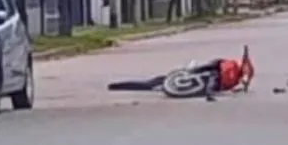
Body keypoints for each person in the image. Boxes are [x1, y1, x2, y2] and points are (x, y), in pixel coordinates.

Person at [107, 46, 254, 101]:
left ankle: (115, 86)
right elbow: (214, 67)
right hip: (199, 78)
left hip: (199, 79)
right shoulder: (229, 70)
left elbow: (214, 65)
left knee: (152, 83)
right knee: (153, 83)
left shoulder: (230, 74)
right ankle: (116, 86)